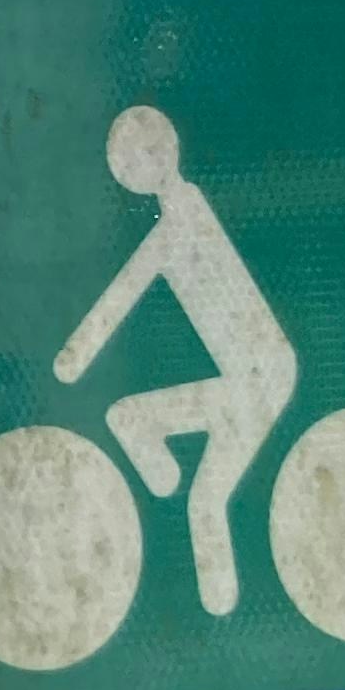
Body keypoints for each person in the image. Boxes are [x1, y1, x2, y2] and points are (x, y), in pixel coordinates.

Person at [51, 106, 297, 616]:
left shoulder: (183, 219)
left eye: (145, 155)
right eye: (130, 162)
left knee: (189, 482)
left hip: (264, 377)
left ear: (167, 151)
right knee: (194, 488)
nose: (141, 166)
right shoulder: (175, 223)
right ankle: (170, 489)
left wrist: (74, 358)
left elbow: (123, 291)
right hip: (255, 379)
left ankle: (217, 601)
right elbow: (123, 292)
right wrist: (74, 355)